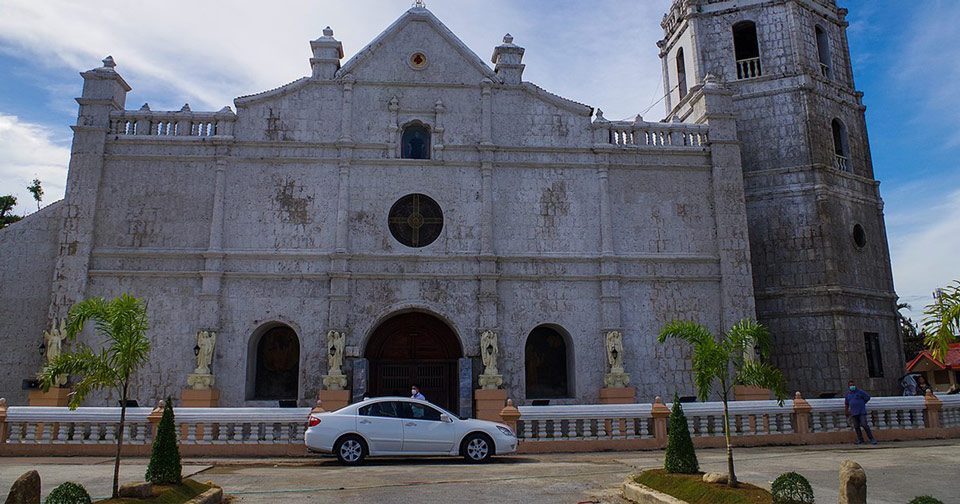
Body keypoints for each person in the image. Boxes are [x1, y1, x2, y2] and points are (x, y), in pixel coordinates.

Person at [845, 380, 877, 445]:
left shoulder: (860, 392)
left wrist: (862, 403)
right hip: (853, 412)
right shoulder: (848, 394)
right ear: (848, 386)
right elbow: (846, 403)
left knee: (864, 424)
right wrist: (846, 411)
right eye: (851, 385)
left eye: (853, 385)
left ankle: (872, 438)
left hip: (861, 411)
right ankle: (861, 440)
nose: (852, 386)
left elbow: (867, 398)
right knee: (856, 426)